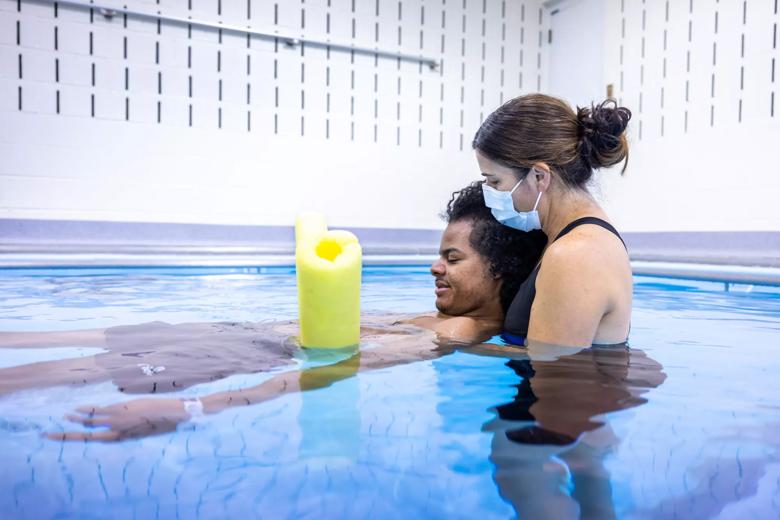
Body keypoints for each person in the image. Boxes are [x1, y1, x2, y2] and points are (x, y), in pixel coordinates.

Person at [0, 184, 546, 439]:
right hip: (240, 335)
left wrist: (193, 409)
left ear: (498, 271)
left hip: (246, 351)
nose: (434, 267)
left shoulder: (460, 329)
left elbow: (340, 368)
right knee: (107, 343)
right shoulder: (444, 316)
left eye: (452, 258)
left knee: (73, 371)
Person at [474, 93, 633, 347]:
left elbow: (554, 376)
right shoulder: (568, 240)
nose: (489, 193)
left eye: (495, 181)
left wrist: (444, 342)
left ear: (539, 176)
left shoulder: (575, 256)